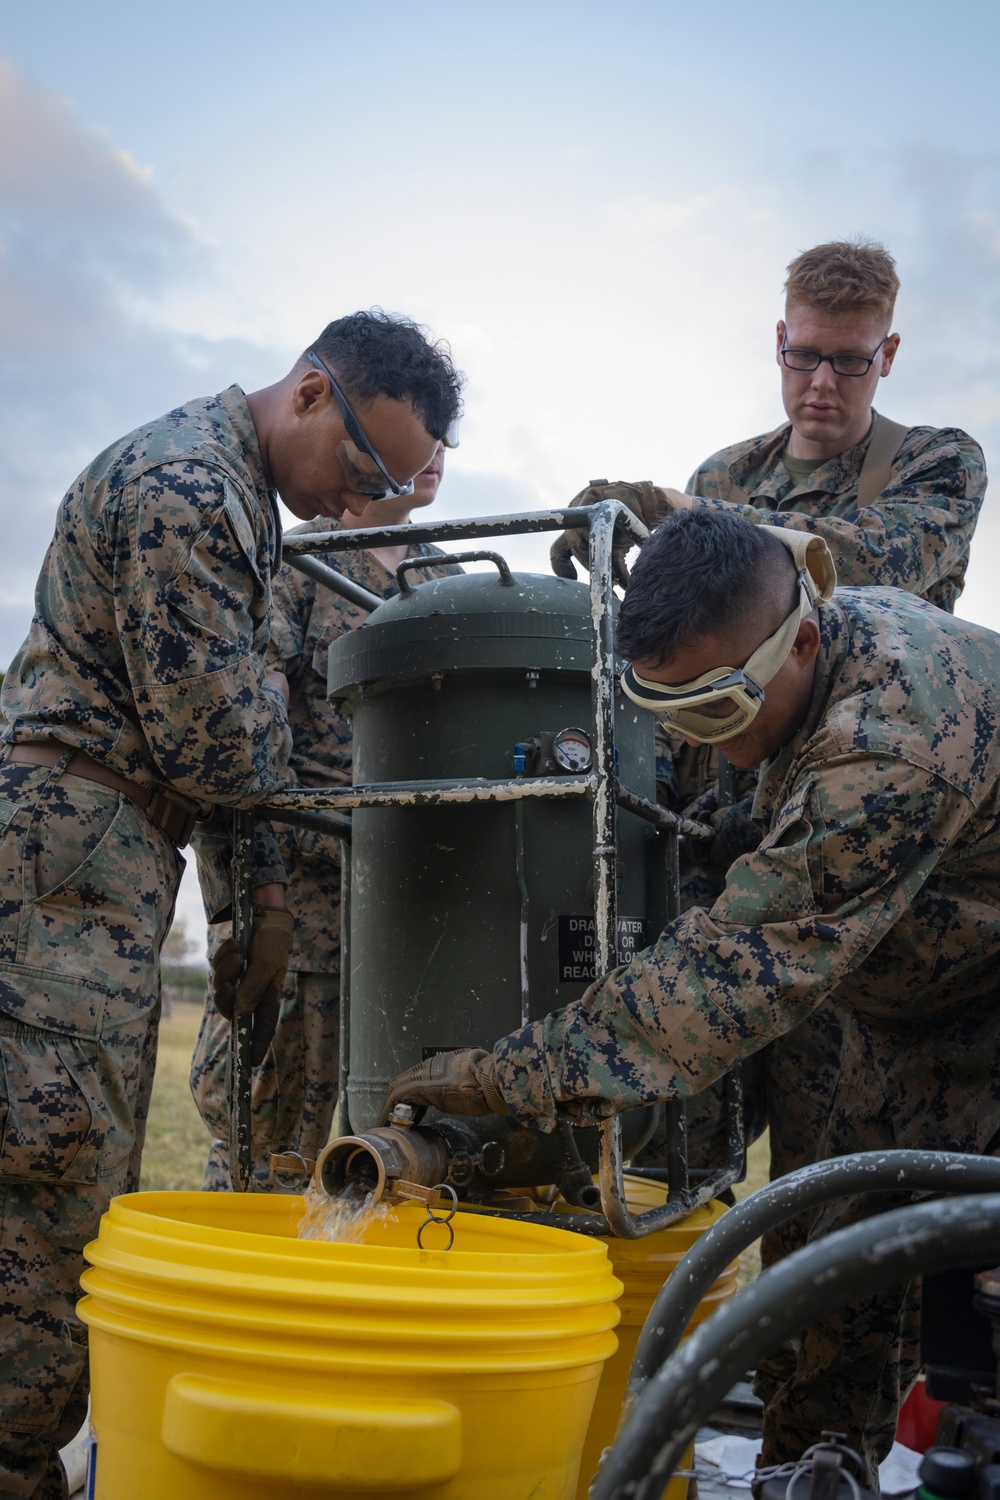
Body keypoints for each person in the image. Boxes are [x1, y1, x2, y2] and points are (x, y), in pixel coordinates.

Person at [385, 508, 1000, 1483]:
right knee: (817, 1241)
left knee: (943, 1260)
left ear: (799, 638)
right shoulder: (789, 661)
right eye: (663, 713)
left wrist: (503, 1077)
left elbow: (725, 978)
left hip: (975, 1000)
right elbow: (730, 860)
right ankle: (808, 1464)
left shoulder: (893, 740)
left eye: (712, 714)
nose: (698, 743)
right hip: (881, 982)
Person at [0, 308, 462, 1500]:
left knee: (76, 1160)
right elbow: (224, 746)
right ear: (312, 392)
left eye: (397, 486)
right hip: (65, 866)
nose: (363, 500)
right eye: (367, 467)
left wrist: (259, 885)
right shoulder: (188, 492)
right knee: (46, 1174)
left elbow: (227, 744)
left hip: (105, 856)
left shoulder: (243, 500)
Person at [549, 237, 986, 1300]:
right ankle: (665, 1384)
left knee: (829, 1183)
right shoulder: (723, 476)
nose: (821, 384)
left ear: (886, 353)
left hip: (847, 844)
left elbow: (859, 566)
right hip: (717, 838)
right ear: (776, 344)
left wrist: (682, 522)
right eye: (803, 359)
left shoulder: (935, 462)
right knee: (673, 1144)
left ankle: (818, 1449)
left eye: (847, 361)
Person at [189, 439, 462, 1190]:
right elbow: (250, 715)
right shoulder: (300, 559)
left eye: (450, 442)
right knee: (269, 1137)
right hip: (303, 897)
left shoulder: (448, 577)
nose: (437, 456)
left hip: (407, 902)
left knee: (398, 1143)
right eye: (422, 437)